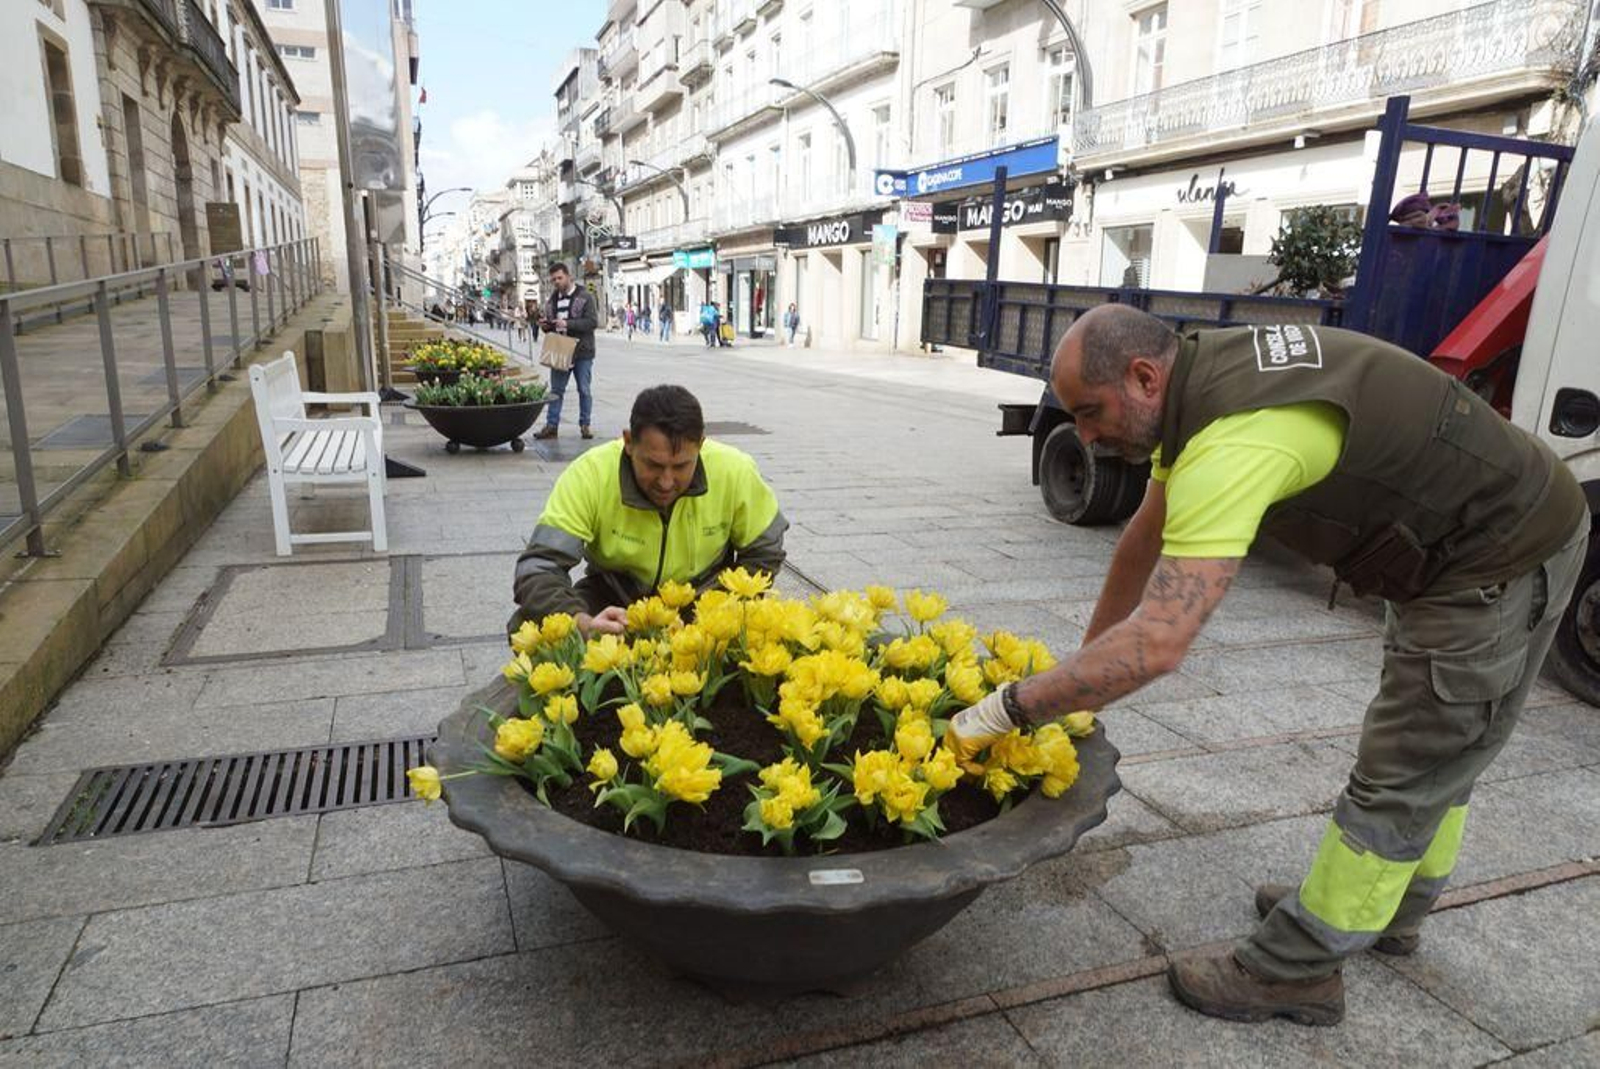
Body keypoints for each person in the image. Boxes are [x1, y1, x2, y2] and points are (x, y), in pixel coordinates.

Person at [944, 305, 1587, 1027]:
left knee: (1410, 764)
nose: (1084, 436)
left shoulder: (1233, 440)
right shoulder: (1198, 382)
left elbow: (1160, 640)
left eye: (1090, 413)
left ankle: (1297, 968)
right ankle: (1387, 908)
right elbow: (1142, 540)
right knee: (1441, 749)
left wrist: (1008, 708)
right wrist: (1081, 690)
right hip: (1461, 537)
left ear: (1144, 377)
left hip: (1498, 553)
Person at [509, 384, 790, 632]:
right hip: (616, 598)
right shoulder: (590, 474)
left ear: (701, 445)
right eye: (653, 465)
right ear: (629, 442)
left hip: (705, 598)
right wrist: (582, 623)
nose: (666, 482)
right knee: (531, 625)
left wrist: (724, 612)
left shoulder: (734, 470)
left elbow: (765, 552)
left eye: (681, 466)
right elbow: (539, 568)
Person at [533, 262, 599, 441]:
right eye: (553, 279)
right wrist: (545, 325)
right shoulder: (552, 301)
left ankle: (585, 425)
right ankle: (551, 426)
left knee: (584, 389)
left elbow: (592, 322)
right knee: (556, 390)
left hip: (582, 351)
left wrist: (568, 323)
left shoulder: (585, 296)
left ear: (569, 276)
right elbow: (552, 327)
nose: (556, 282)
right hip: (560, 350)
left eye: (559, 278)